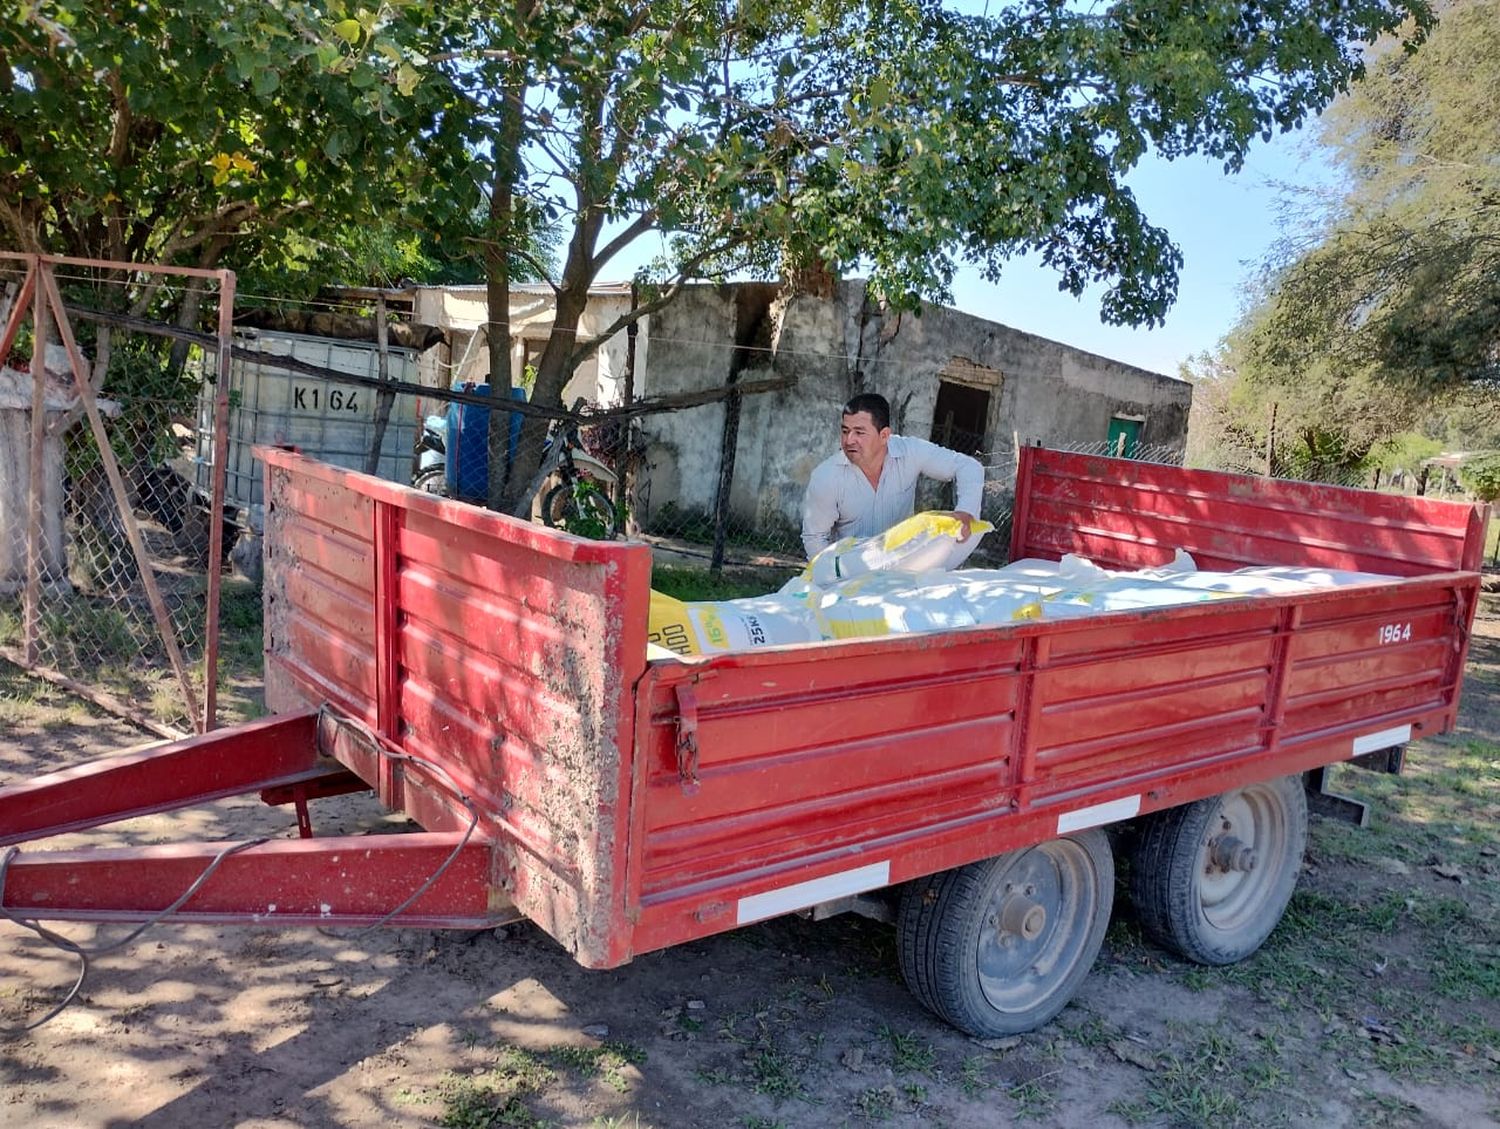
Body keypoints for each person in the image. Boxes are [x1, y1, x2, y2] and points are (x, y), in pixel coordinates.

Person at [801, 392, 985, 558]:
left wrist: (965, 512)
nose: (849, 440)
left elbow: (968, 466)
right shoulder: (826, 477)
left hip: (901, 567)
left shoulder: (910, 452)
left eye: (859, 432)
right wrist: (832, 579)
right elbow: (815, 540)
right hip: (850, 573)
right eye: (845, 431)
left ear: (884, 435)